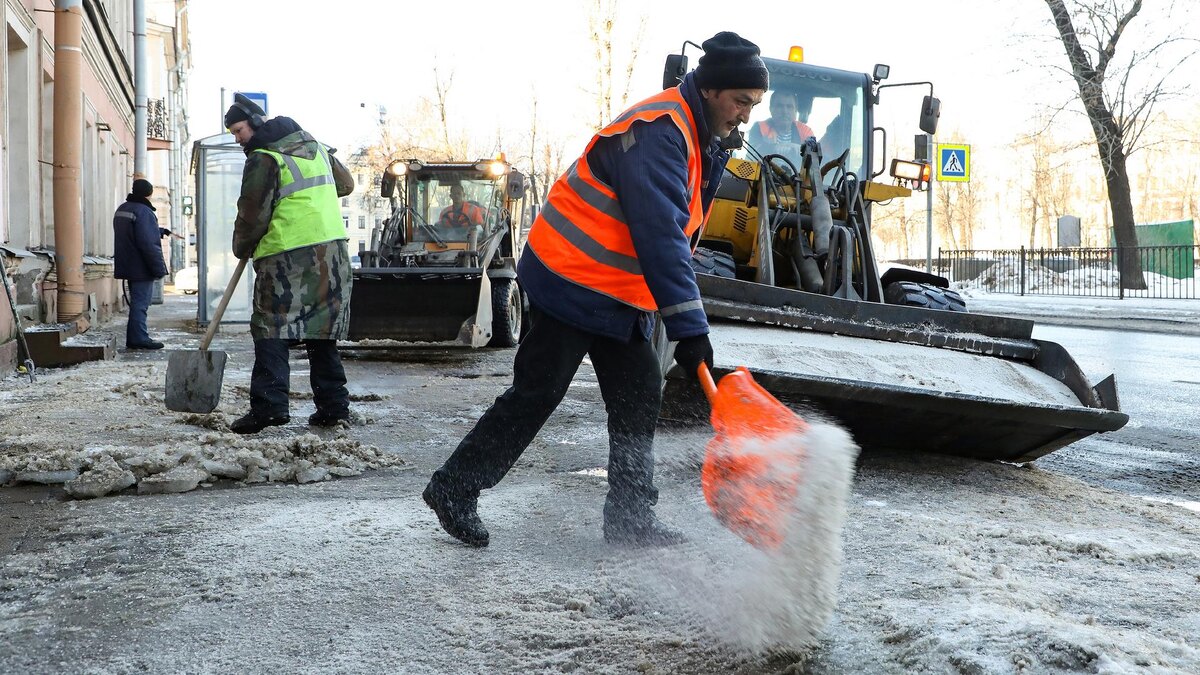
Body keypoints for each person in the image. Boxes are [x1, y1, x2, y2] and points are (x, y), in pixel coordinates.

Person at [422, 31, 768, 548]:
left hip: (618, 292)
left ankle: (630, 518)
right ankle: (454, 487)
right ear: (713, 90)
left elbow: (675, 231)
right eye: (741, 102)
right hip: (570, 279)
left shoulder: (699, 134)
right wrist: (689, 327)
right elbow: (660, 235)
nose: (745, 115)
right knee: (537, 392)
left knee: (637, 397)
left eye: (753, 106)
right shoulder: (659, 130)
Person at [223, 93, 356, 435]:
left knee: (271, 329)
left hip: (287, 256)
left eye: (238, 130)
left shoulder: (263, 157)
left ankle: (269, 408)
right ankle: (334, 407)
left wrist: (241, 246)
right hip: (333, 252)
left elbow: (252, 212)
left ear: (254, 123)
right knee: (321, 331)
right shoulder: (316, 147)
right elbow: (346, 184)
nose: (237, 138)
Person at [113, 178, 168, 350]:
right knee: (141, 304)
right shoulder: (144, 211)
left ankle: (135, 337)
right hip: (142, 266)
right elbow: (148, 243)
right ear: (149, 193)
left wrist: (158, 231)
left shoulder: (123, 209)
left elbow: (132, 233)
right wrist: (159, 268)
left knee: (136, 302)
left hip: (127, 263)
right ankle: (138, 338)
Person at [747, 90, 814, 148]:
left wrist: (796, 148)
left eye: (789, 107)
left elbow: (813, 154)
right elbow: (753, 153)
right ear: (771, 109)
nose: (785, 111)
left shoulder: (806, 131)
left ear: (795, 110)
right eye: (780, 106)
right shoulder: (759, 127)